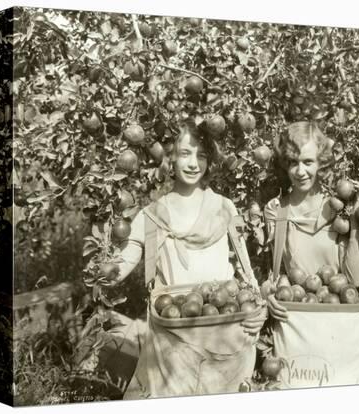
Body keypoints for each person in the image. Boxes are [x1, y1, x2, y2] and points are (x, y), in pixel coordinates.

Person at [105, 119, 266, 399]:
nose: (193, 164)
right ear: (170, 158)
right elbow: (115, 271)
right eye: (185, 154)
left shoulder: (226, 208)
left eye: (201, 155)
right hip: (172, 349)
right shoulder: (151, 216)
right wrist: (103, 226)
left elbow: (246, 272)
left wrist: (259, 311)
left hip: (225, 342)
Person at [264, 121, 359, 321]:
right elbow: (270, 277)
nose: (300, 172)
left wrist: (355, 220)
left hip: (337, 320)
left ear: (321, 161)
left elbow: (354, 279)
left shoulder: (339, 209)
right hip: (296, 322)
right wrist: (268, 296)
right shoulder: (276, 211)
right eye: (293, 162)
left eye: (308, 162)